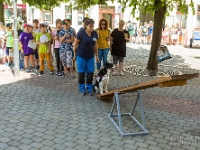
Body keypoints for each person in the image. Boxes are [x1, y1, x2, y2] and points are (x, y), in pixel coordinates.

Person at [73, 19, 99, 96]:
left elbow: (96, 45)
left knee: (90, 72)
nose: (92, 28)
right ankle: (82, 88)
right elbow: (75, 44)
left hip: (90, 56)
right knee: (81, 72)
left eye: (93, 26)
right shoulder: (81, 33)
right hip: (81, 55)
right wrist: (74, 55)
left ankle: (89, 88)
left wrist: (97, 55)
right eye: (90, 26)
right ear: (85, 26)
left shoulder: (94, 33)